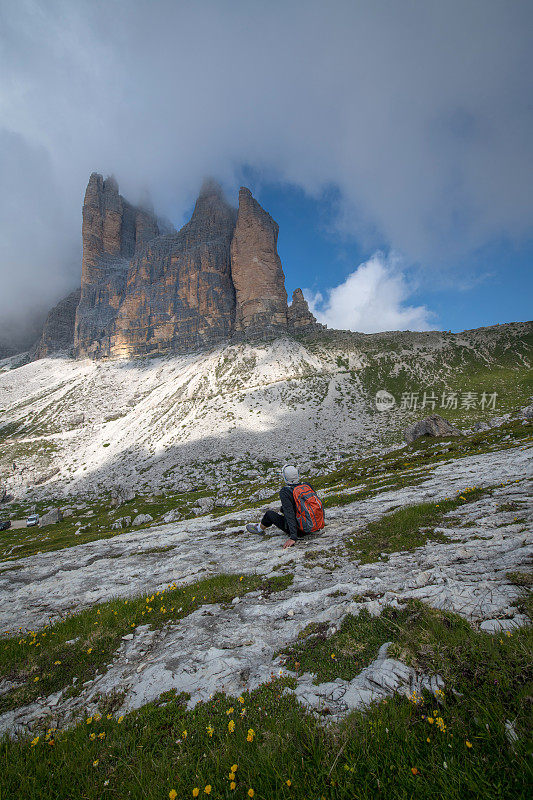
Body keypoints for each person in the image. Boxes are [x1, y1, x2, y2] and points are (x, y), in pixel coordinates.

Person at [246, 464, 324, 548]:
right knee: (282, 509)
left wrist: (293, 537)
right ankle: (315, 525)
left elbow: (289, 513)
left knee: (269, 514)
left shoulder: (286, 491)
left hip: (301, 531)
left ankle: (259, 529)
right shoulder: (307, 485)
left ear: (285, 478)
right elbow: (317, 505)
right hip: (315, 526)